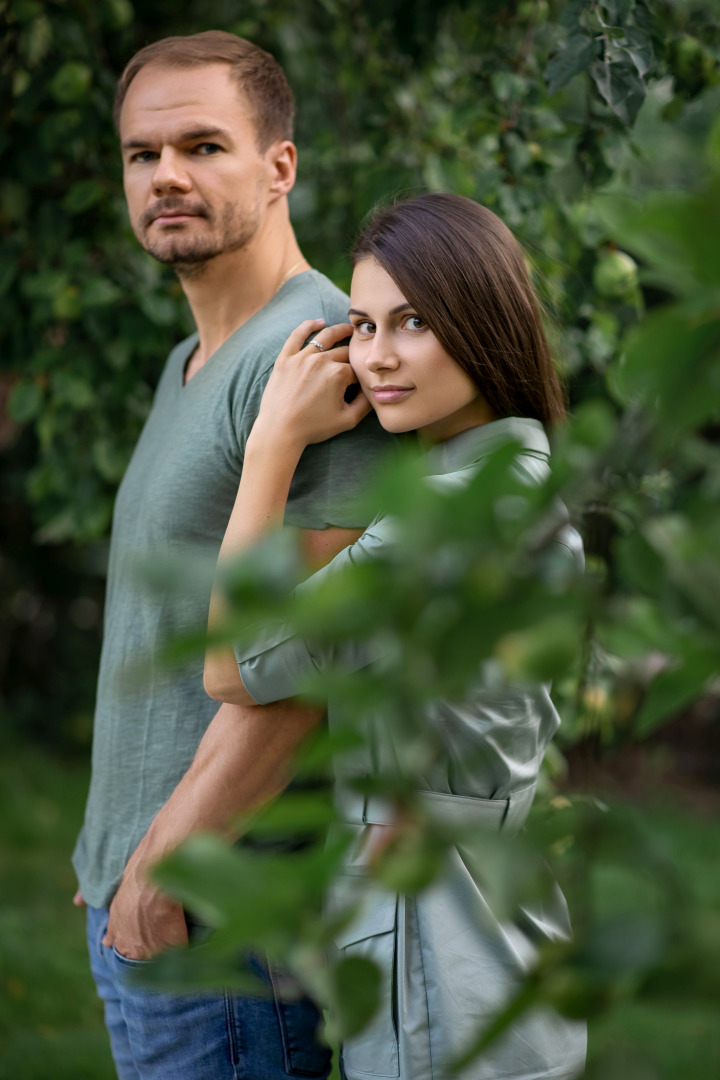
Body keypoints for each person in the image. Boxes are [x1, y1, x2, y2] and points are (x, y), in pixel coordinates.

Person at [204, 193, 588, 1079]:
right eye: (362, 325)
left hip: (450, 988)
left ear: (483, 320)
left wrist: (272, 443)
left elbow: (232, 666)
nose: (376, 356)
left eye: (411, 322)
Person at [71, 30, 393, 1080]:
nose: (166, 174)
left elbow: (294, 679)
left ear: (280, 166)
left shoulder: (322, 358)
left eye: (204, 145)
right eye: (141, 153)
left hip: (223, 917)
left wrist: (161, 870)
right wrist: (110, 849)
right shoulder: (188, 362)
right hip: (142, 894)